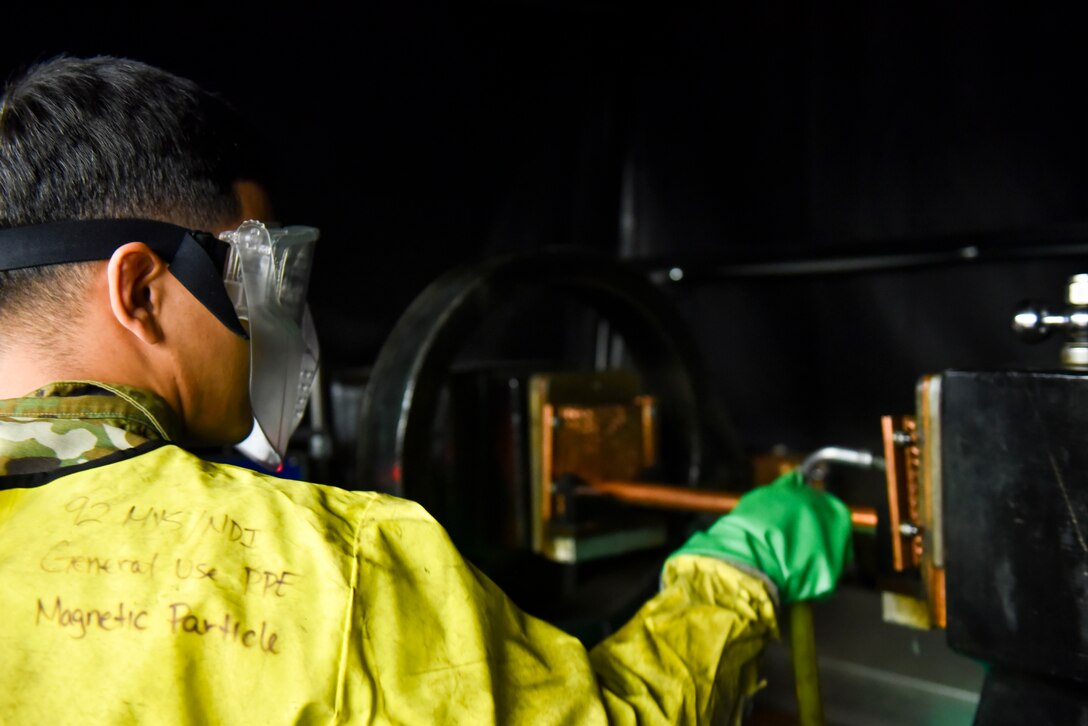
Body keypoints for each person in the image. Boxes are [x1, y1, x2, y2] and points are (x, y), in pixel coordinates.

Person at [0, 56, 852, 724]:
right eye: (260, 276)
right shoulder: (335, 569)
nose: (281, 324)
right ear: (142, 290)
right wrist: (736, 577)